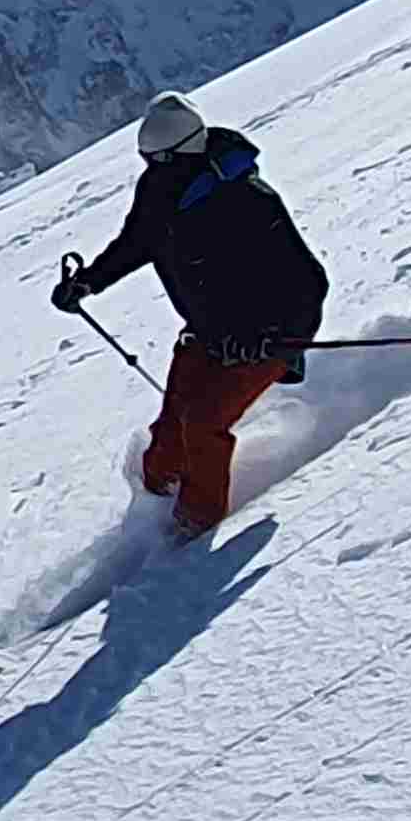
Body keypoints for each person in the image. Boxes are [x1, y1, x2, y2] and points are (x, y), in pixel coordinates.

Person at [52, 92, 330, 536]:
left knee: (202, 422)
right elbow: (136, 243)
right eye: (147, 160)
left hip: (265, 341)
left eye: (157, 159)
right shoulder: (159, 188)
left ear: (181, 152)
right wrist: (89, 281)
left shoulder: (249, 200)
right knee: (170, 434)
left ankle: (192, 532)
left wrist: (273, 336)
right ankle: (154, 507)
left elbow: (310, 284)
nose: (150, 168)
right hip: (207, 331)